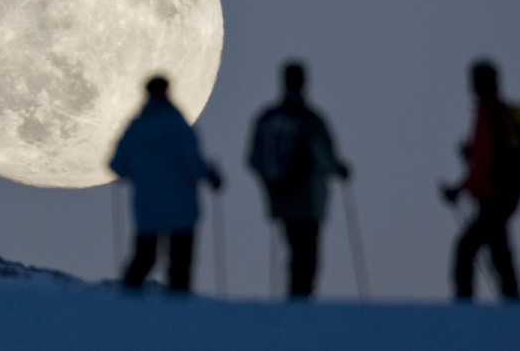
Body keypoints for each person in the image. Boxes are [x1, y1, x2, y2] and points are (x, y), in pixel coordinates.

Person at [110, 75, 222, 294]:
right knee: (180, 265)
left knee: (144, 258)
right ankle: (178, 312)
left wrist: (139, 171)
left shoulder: (135, 128)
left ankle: (125, 303)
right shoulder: (178, 126)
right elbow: (192, 162)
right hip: (181, 206)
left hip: (147, 207)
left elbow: (117, 165)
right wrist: (212, 176)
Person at [247, 61, 351, 298]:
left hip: (280, 198)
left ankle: (295, 294)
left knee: (293, 247)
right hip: (310, 199)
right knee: (308, 251)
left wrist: (272, 182)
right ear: (305, 82)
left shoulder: (267, 118)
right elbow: (324, 156)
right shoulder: (310, 119)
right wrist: (339, 169)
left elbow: (252, 158)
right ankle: (301, 296)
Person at [440, 59, 520, 302]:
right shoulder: (499, 112)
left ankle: (466, 307)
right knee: (499, 252)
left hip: (493, 196)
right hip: (505, 196)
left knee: (466, 250)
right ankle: (515, 306)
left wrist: (459, 189)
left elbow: (484, 164)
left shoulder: (487, 113)